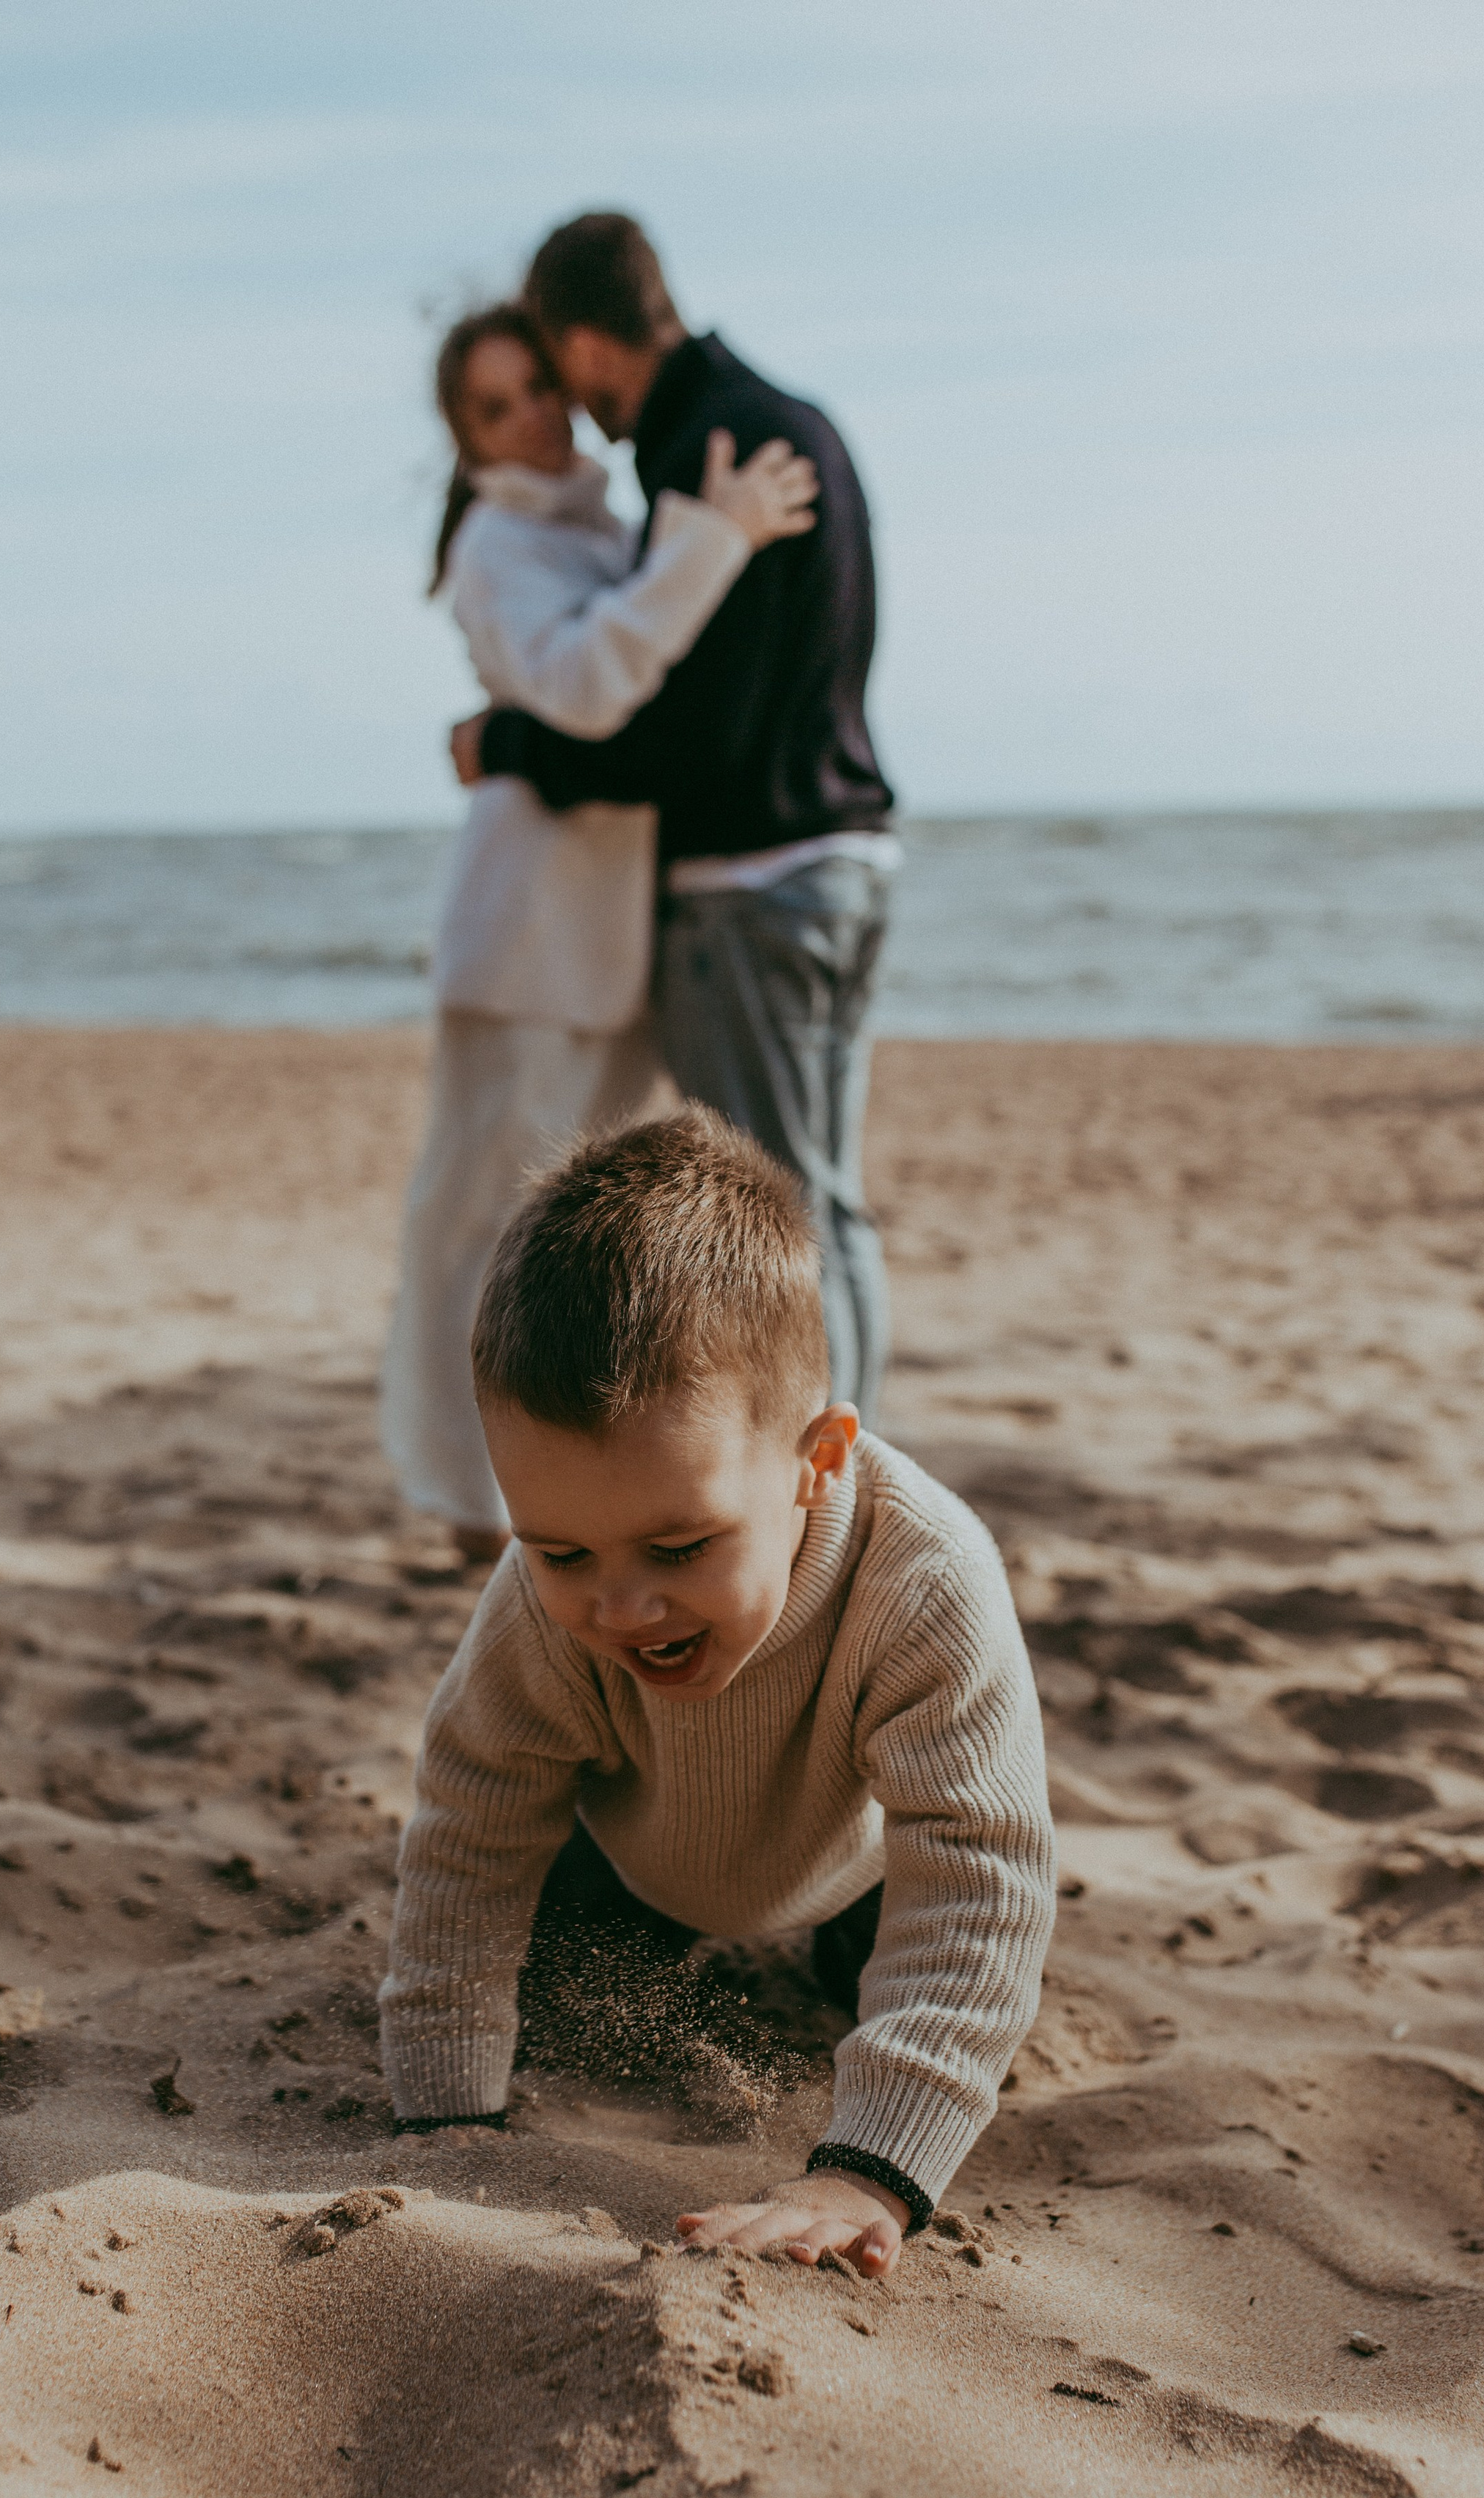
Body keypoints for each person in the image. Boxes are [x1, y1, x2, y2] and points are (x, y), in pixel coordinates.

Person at [378, 1109, 1055, 2280]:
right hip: (638, 1851)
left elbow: (979, 1862)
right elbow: (475, 1815)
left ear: (818, 1462)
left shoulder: (925, 1582)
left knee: (922, 1983)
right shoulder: (543, 1604)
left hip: (855, 1870)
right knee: (572, 1990)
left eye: (680, 1548)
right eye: (563, 1551)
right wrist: (447, 2117)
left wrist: (867, 2170)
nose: (620, 1608)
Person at [383, 302, 820, 1562]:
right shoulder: (497, 547)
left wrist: (694, 543)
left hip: (608, 945)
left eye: (537, 387)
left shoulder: (606, 530)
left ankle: (535, 1501)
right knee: (477, 1233)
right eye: (496, 404)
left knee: (561, 1244)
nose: (533, 416)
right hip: (526, 944)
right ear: (464, 439)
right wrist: (718, 535)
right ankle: (473, 1509)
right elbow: (588, 687)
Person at [452, 214, 897, 1425]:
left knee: (784, 1215)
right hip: (855, 854)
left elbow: (674, 733)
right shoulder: (798, 422)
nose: (565, 402)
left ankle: (829, 1492)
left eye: (556, 368)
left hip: (752, 883)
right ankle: (842, 1475)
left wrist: (507, 743)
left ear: (590, 340)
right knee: (833, 1202)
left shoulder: (705, 449)